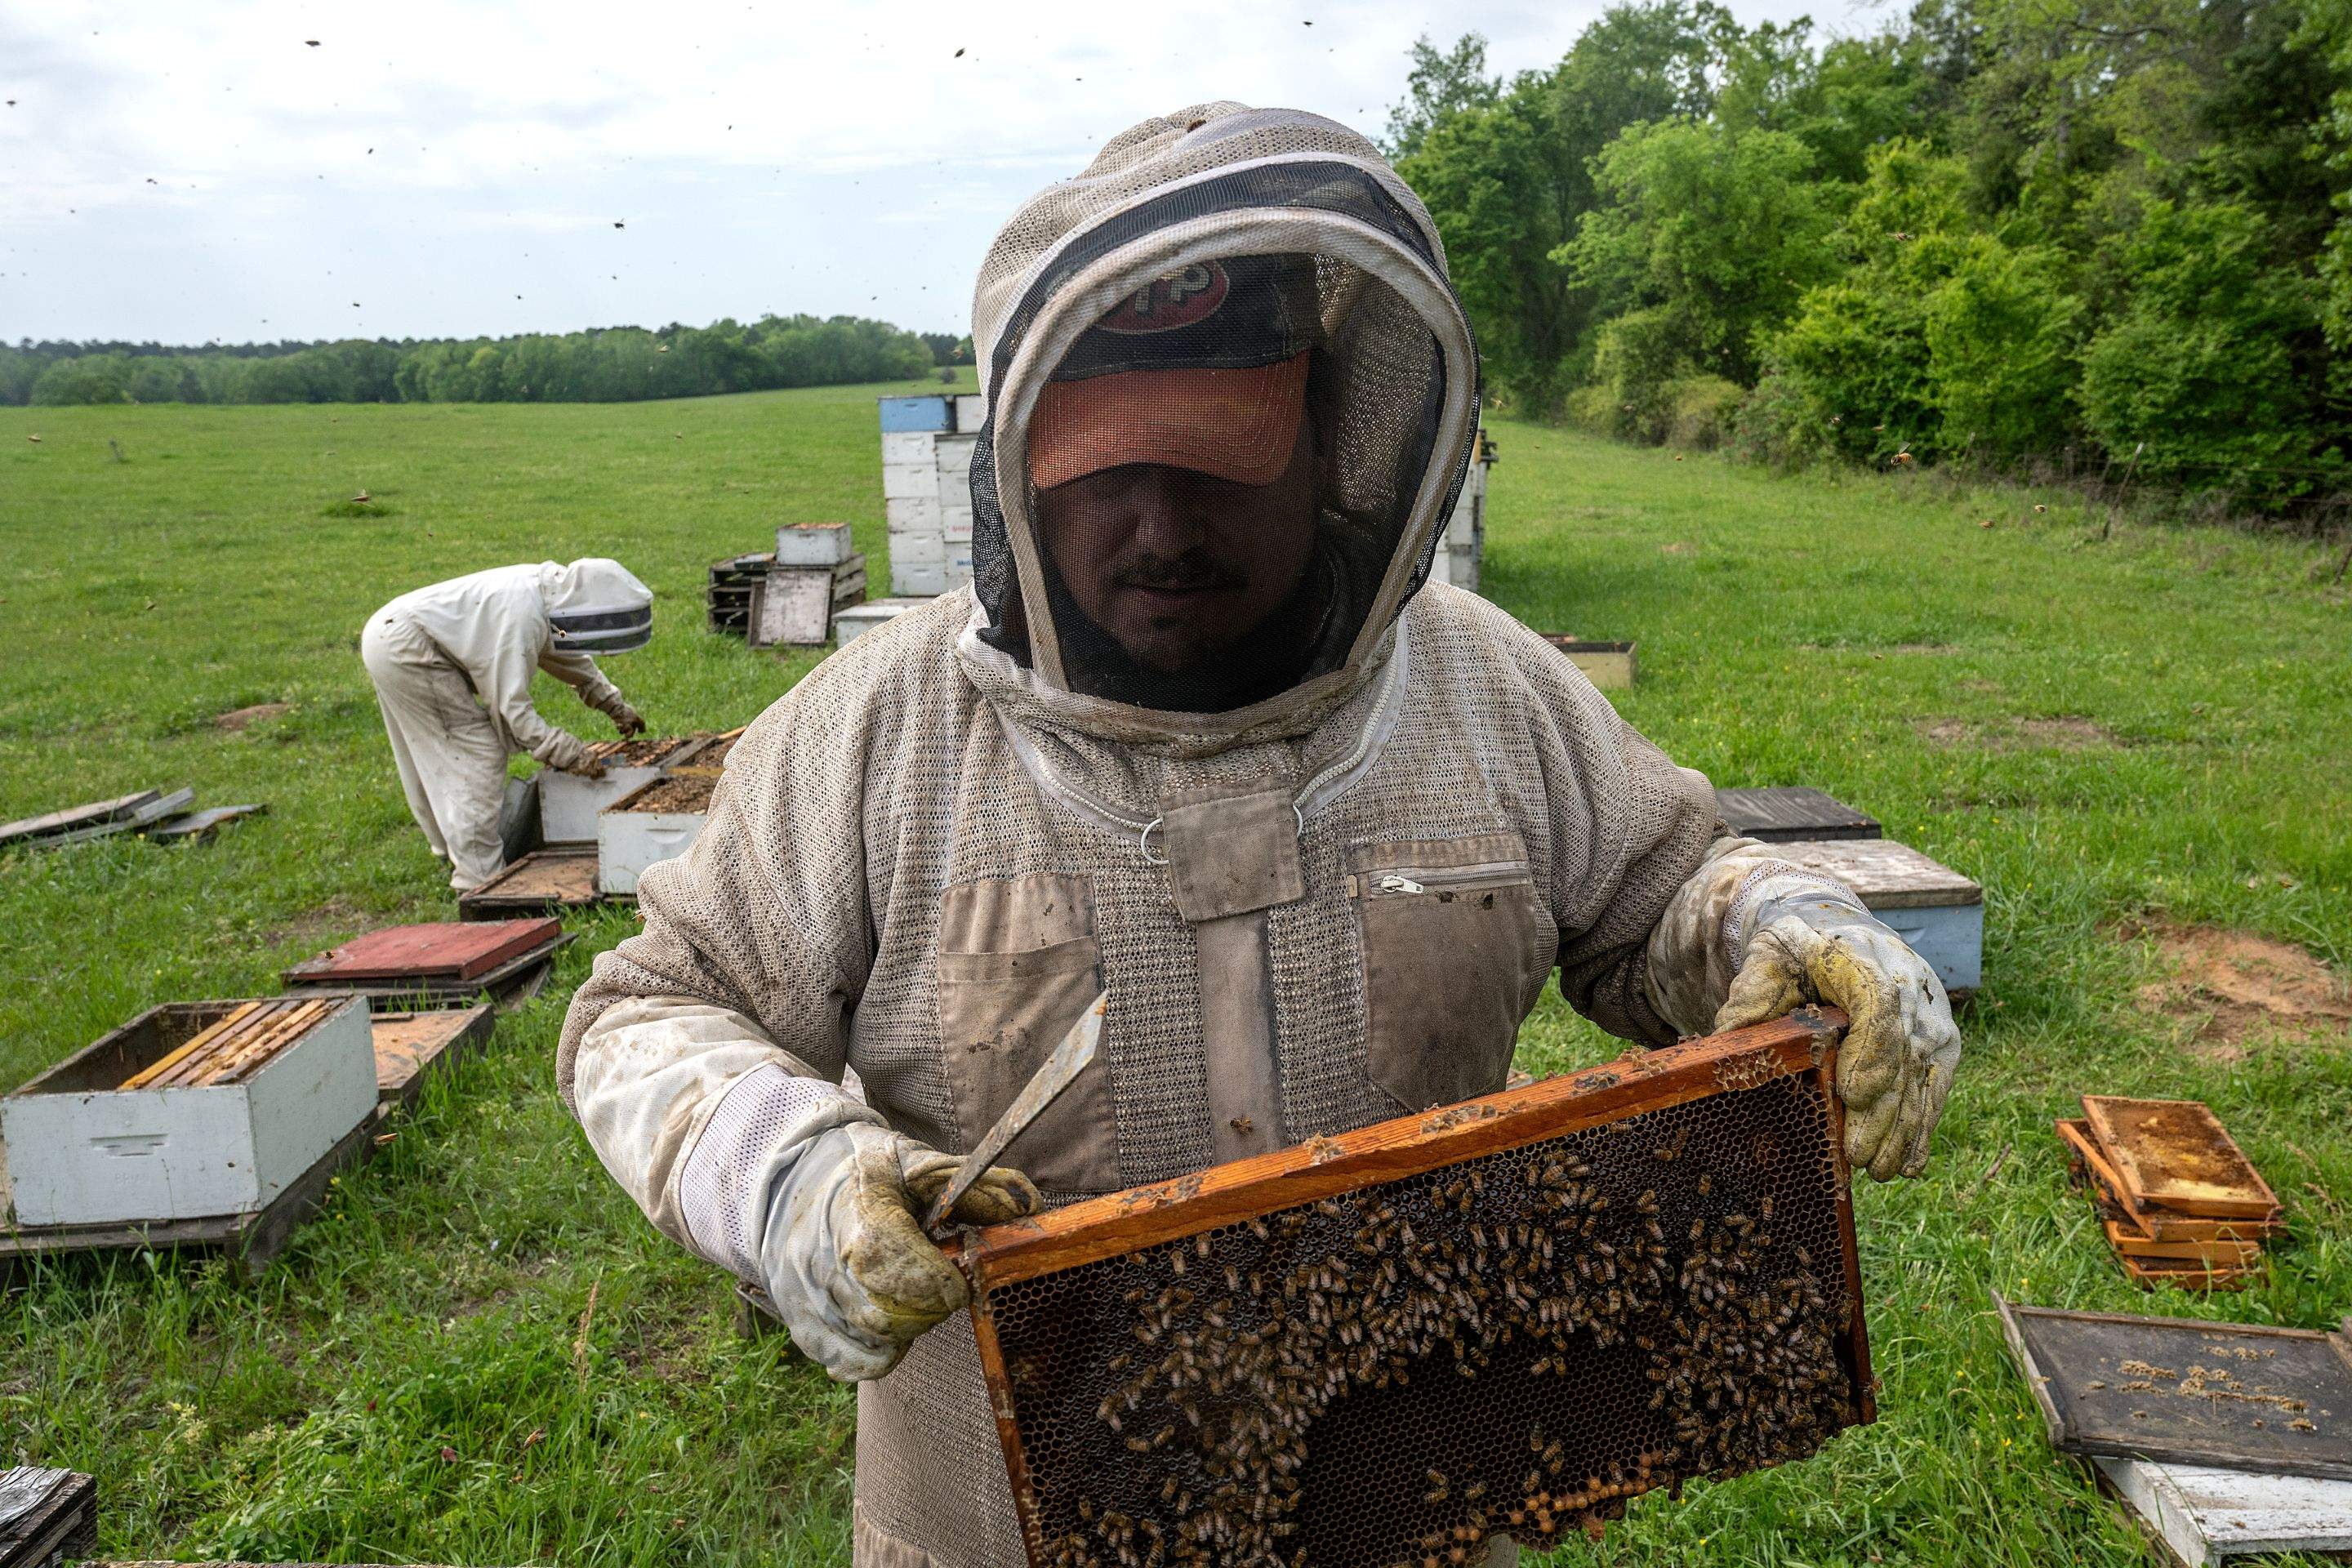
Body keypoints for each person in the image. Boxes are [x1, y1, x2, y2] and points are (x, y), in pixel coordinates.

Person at [559, 105, 1962, 1568]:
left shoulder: (1488, 687)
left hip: (1414, 1490)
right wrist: (787, 1171)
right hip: (997, 1525)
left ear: (1333, 444)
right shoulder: (874, 733)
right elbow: (650, 1013)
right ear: (1024, 465)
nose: (1161, 527)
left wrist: (1791, 923)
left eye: (1217, 459)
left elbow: (1669, 891)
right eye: (1105, 467)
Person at [361, 558, 652, 891]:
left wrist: (614, 705)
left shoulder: (549, 598)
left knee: (438, 751)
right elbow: (510, 709)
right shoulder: (523, 615)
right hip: (406, 644)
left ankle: (451, 849)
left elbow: (565, 654)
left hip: (395, 632)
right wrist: (568, 753)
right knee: (474, 750)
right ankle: (478, 879)